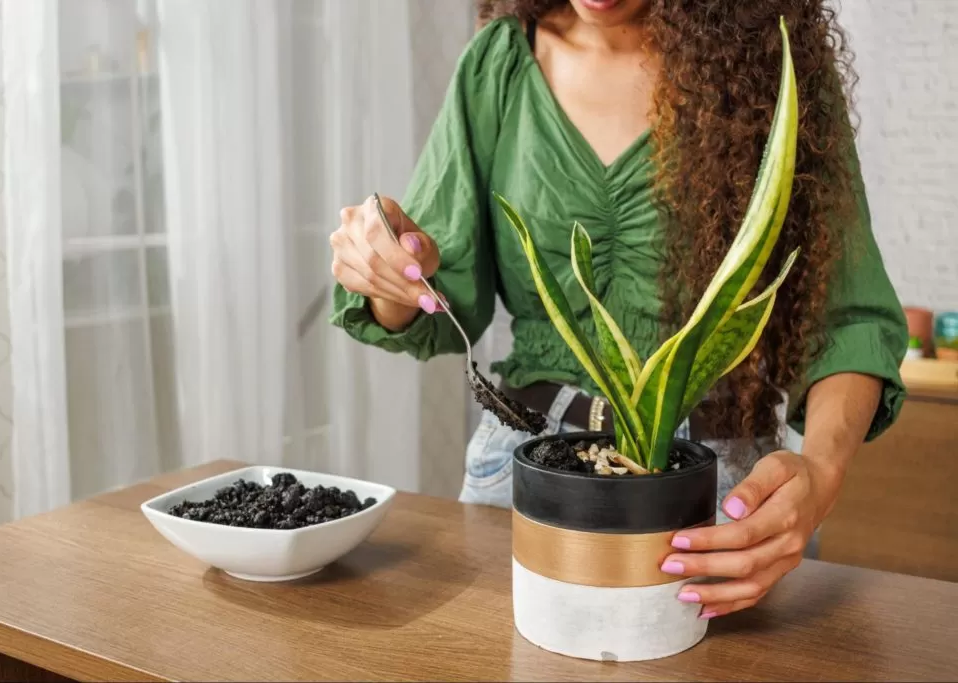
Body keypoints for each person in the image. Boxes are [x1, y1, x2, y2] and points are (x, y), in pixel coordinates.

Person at [328, 0, 907, 619]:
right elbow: (439, 306)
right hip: (521, 468)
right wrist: (386, 269)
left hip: (717, 488)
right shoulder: (500, 62)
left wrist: (818, 475)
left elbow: (849, 320)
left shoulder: (771, 64)